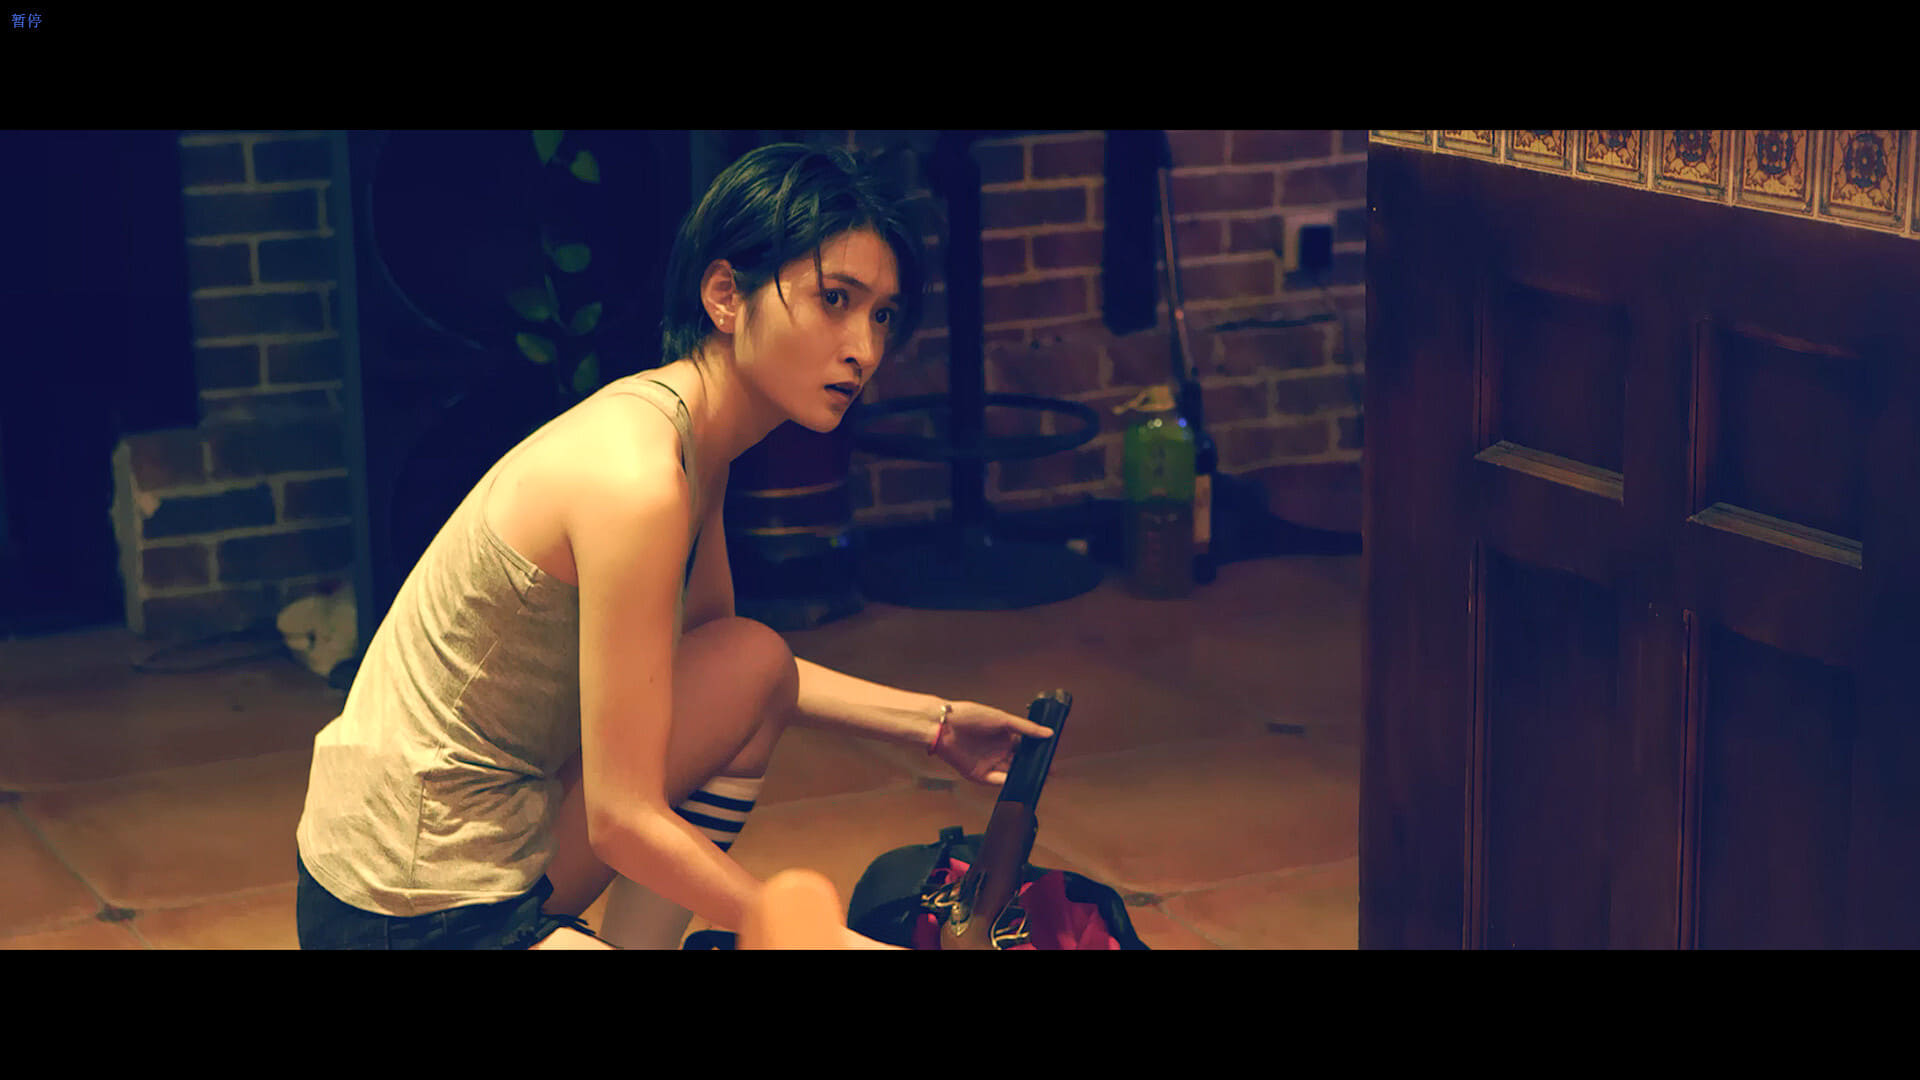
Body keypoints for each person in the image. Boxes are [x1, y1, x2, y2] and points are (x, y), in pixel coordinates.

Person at [293, 141, 1055, 950]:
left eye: (881, 315)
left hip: (497, 842)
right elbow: (621, 820)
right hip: (405, 902)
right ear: (726, 295)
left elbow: (725, 669)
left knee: (748, 660)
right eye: (834, 299)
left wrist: (933, 726)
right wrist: (821, 941)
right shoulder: (638, 479)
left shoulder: (694, 439)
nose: (862, 348)